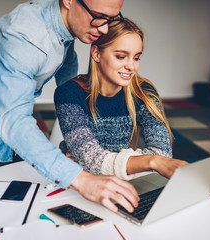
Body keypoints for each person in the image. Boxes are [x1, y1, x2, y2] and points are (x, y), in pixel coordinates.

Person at [0, 0, 139, 213]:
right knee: (5, 208)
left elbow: (67, 60)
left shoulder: (68, 20)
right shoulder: (24, 39)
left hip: (13, 122)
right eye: (99, 16)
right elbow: (15, 125)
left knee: (30, 194)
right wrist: (83, 181)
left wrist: (74, 113)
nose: (103, 29)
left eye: (111, 19)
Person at [54, 18, 188, 181]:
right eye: (121, 56)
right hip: (77, 180)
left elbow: (162, 154)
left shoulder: (143, 91)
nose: (131, 66)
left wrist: (93, 162)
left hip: (119, 181)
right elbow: (93, 160)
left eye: (136, 57)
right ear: (96, 54)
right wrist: (150, 161)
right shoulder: (68, 94)